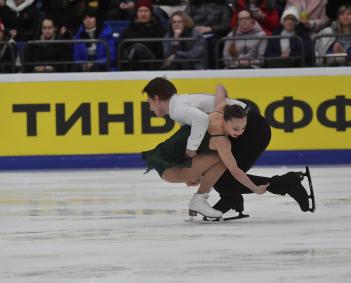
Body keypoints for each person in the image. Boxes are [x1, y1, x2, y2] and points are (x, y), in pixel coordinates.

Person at [141, 77, 312, 218]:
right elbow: (218, 92)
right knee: (223, 174)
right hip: (246, 122)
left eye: (149, 102)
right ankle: (232, 198)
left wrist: (190, 153)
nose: (149, 107)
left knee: (228, 177)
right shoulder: (182, 104)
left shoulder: (178, 108)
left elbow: (201, 120)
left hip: (250, 128)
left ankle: (287, 182)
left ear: (156, 98)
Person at [120, 0, 165, 70]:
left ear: (151, 13)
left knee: (138, 49)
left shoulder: (159, 30)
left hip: (154, 68)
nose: (143, 14)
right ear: (136, 13)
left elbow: (161, 54)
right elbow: (121, 53)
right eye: (140, 11)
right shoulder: (128, 31)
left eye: (146, 11)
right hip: (132, 68)